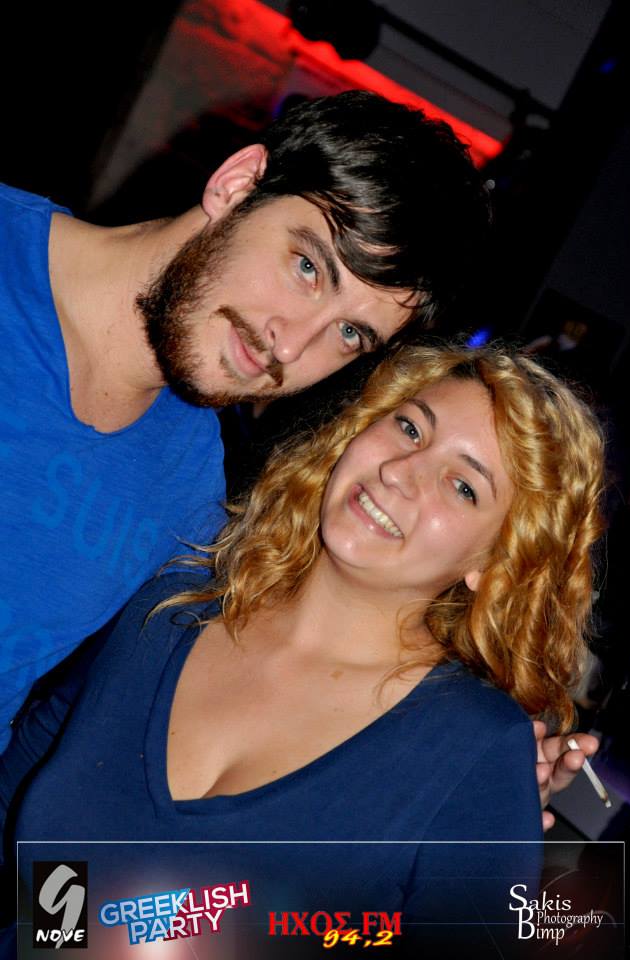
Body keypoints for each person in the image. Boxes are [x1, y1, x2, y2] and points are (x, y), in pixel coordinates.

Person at [2, 343, 605, 949]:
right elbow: (31, 832)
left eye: (463, 486)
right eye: (409, 428)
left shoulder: (474, 754)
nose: (400, 471)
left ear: (493, 564)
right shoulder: (171, 610)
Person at [0, 91, 492, 749]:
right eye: (307, 267)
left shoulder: (192, 485)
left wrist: (469, 759)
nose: (290, 346)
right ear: (236, 184)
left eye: (349, 332)